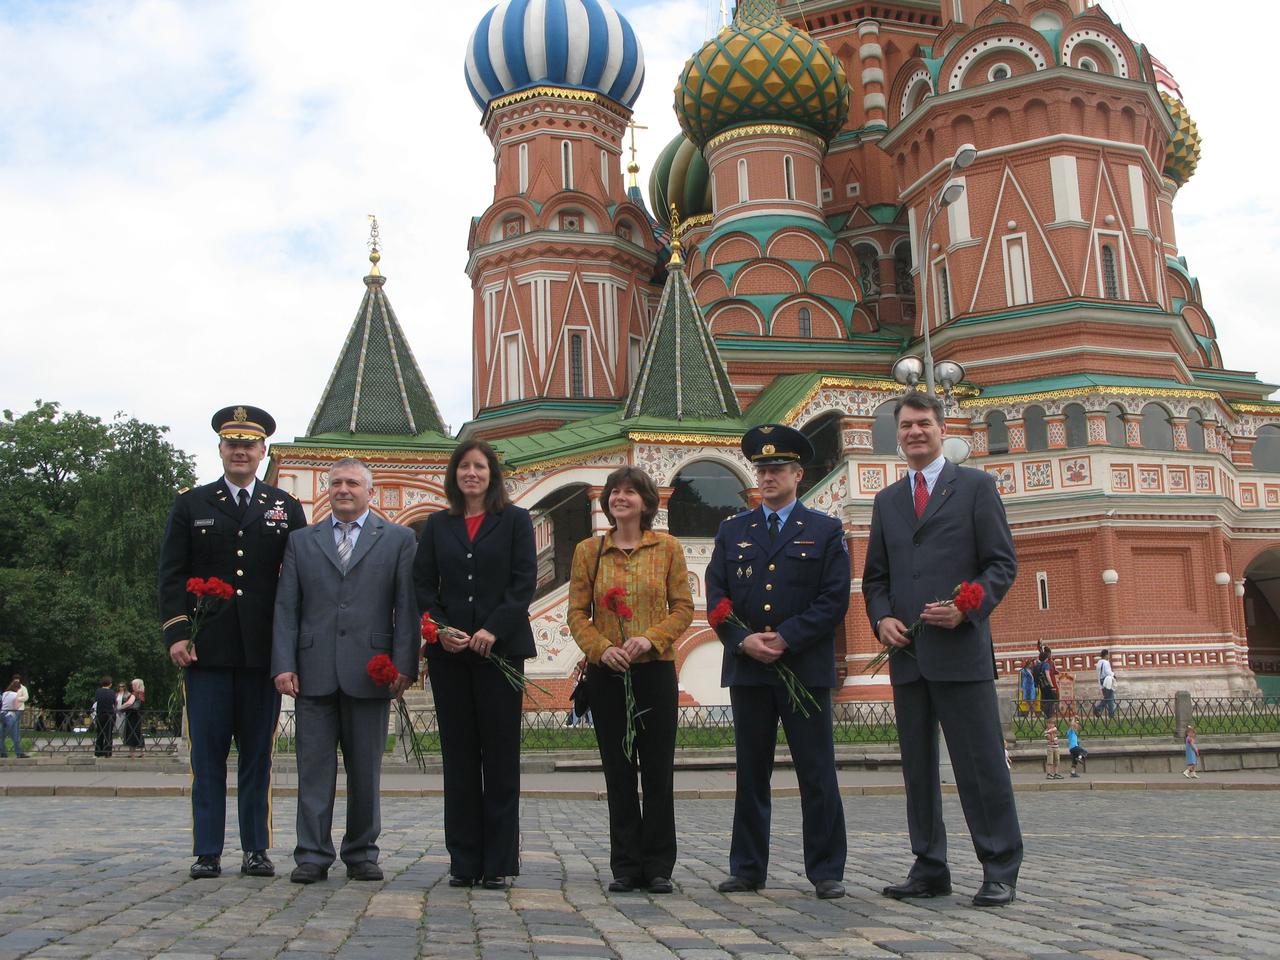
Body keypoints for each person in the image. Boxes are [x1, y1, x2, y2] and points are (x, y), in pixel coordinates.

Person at [863, 391, 1022, 908]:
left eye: (923, 424)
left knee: (979, 766)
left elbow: (1000, 564)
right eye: (906, 425)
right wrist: (882, 618)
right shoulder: (887, 500)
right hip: (908, 656)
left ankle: (999, 867)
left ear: (940, 427)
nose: (914, 432)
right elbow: (876, 578)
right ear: (897, 432)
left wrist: (967, 609)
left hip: (961, 651)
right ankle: (929, 866)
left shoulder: (975, 486)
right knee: (918, 769)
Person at [157, 405, 307, 880]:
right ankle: (207, 851)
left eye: (249, 444)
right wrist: (177, 633)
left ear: (263, 452)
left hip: (263, 653)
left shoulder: (284, 506)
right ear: (221, 449)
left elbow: (301, 580)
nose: (240, 451)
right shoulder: (191, 504)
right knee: (208, 756)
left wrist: (294, 648)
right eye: (232, 443)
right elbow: (171, 575)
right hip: (207, 652)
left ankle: (256, 849)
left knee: (258, 758)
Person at [706, 423, 851, 901]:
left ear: (798, 474)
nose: (767, 477)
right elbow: (717, 598)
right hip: (749, 669)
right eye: (762, 469)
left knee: (817, 772)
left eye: (777, 469)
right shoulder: (733, 531)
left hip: (803, 668)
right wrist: (743, 641)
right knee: (751, 773)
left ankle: (826, 870)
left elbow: (833, 600)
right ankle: (747, 867)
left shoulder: (826, 530)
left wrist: (787, 637)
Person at [273, 457, 418, 884]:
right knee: (313, 768)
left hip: (371, 671)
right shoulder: (302, 541)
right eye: (336, 482)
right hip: (312, 669)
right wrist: (283, 663)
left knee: (366, 769)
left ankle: (362, 852)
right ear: (327, 491)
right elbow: (286, 606)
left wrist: (405, 665)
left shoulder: (398, 539)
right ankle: (312, 854)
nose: (343, 489)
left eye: (352, 483)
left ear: (368, 492)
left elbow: (406, 609)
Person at [414, 441, 536, 890]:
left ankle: (499, 862)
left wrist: (494, 629)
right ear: (454, 475)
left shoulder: (516, 521)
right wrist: (441, 629)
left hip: (498, 653)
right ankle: (463, 860)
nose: (471, 473)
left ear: (492, 474)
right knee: (459, 759)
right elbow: (423, 585)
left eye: (479, 466)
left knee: (500, 759)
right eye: (464, 466)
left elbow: (525, 580)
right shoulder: (437, 525)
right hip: (450, 656)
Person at [568, 466, 693, 895]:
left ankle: (658, 865)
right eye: (615, 492)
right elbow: (576, 613)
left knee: (657, 770)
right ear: (607, 502)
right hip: (608, 674)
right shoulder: (589, 550)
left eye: (631, 492)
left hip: (654, 671)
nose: (621, 498)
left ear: (646, 502)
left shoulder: (668, 548)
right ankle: (625, 864)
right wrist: (602, 649)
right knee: (618, 771)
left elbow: (682, 608)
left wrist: (648, 639)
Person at [93, 676, 116, 757]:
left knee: (100, 733)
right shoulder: (112, 692)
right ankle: (108, 752)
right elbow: (114, 702)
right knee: (108, 734)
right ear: (110, 684)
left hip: (100, 714)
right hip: (110, 714)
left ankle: (98, 752)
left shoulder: (98, 691)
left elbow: (97, 700)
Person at [123, 679, 145, 757]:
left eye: (133, 685)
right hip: (135, 715)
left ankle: (132, 753)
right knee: (137, 732)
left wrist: (122, 707)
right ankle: (139, 752)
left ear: (137, 685)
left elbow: (132, 704)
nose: (132, 686)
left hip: (134, 715)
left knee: (133, 732)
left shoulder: (137, 693)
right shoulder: (140, 693)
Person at [1, 680, 23, 758]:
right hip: (10, 715)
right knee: (15, 735)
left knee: (1, 736)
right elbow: (17, 707)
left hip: (2, 714)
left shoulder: (4, 694)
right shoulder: (16, 695)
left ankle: (2, 752)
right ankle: (19, 753)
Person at [1036, 647, 1059, 719]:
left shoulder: (1037, 665)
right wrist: (1052, 686)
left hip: (1041, 685)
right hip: (1047, 684)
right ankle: (1049, 715)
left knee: (1044, 699)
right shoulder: (1046, 664)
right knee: (1051, 699)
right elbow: (1047, 675)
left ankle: (1046, 713)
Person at [1094, 649, 1117, 718]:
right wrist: (1114, 675)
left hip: (1102, 681)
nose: (1108, 656)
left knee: (1109, 697)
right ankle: (1098, 708)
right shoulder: (1106, 662)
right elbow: (1108, 672)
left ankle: (1111, 713)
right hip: (1107, 681)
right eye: (1108, 655)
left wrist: (1100, 684)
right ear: (1106, 655)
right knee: (1109, 697)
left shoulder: (1099, 663)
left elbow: (1098, 674)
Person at [11, 675, 28, 751]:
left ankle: (17, 744)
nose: (16, 680)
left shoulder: (23, 688)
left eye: (18, 679)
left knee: (16, 726)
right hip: (10, 709)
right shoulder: (11, 687)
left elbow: (26, 697)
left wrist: (17, 699)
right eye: (15, 679)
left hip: (19, 708)